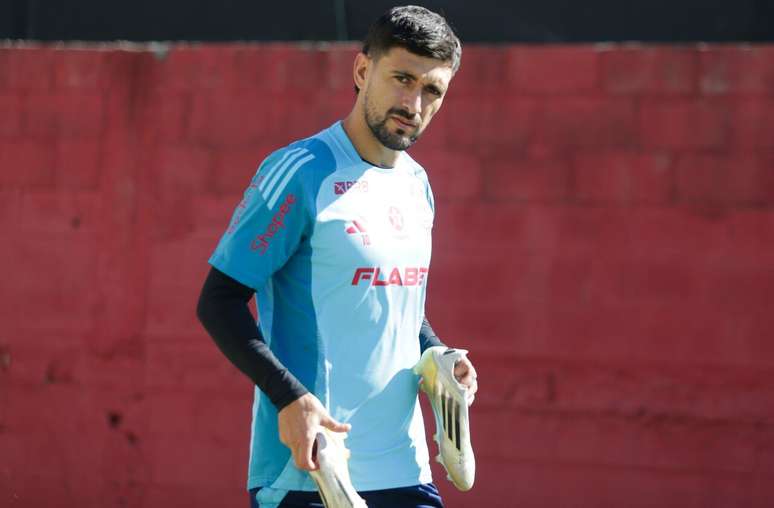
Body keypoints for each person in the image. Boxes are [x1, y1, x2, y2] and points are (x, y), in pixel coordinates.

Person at [196, 5, 478, 507]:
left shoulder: (417, 184)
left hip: (406, 469)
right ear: (362, 70)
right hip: (313, 472)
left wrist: (438, 354)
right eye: (402, 78)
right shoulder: (300, 171)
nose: (414, 103)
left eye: (432, 90)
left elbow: (392, 299)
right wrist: (289, 398)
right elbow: (219, 301)